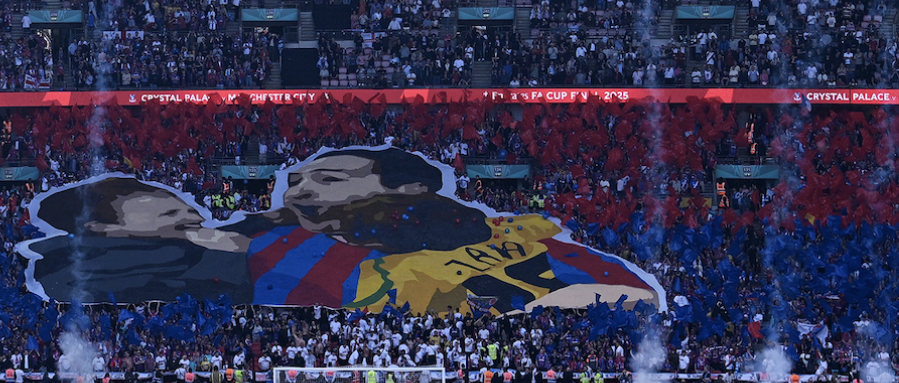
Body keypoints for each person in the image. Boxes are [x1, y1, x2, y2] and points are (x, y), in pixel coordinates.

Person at [224, 147, 659, 313]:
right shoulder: (275, 249)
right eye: (296, 181)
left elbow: (633, 292)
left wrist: (525, 311)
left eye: (329, 180)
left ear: (411, 188)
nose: (300, 191)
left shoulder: (510, 236)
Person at [22, 177, 252, 304]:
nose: (193, 217)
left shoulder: (217, 254)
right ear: (103, 229)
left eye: (187, 209)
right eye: (169, 215)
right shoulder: (79, 280)